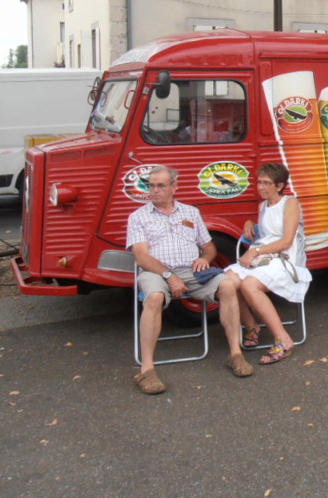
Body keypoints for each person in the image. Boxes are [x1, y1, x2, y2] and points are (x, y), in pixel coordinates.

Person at [127, 165, 253, 394]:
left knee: (227, 285)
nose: (154, 190)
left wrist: (205, 258)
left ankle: (236, 354)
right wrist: (169, 275)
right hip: (156, 272)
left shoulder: (190, 213)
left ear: (174, 187)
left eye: (160, 186)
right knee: (154, 297)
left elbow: (208, 246)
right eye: (151, 186)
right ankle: (146, 369)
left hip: (190, 271)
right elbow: (141, 256)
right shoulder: (138, 217)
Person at [225, 163, 311, 365]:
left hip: (286, 260)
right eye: (259, 182)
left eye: (266, 183)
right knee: (227, 281)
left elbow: (286, 241)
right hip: (265, 257)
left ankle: (284, 339)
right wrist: (249, 223)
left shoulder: (290, 203)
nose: (260, 187)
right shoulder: (262, 206)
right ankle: (251, 325)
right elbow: (265, 232)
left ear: (280, 186)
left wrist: (254, 251)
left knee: (249, 284)